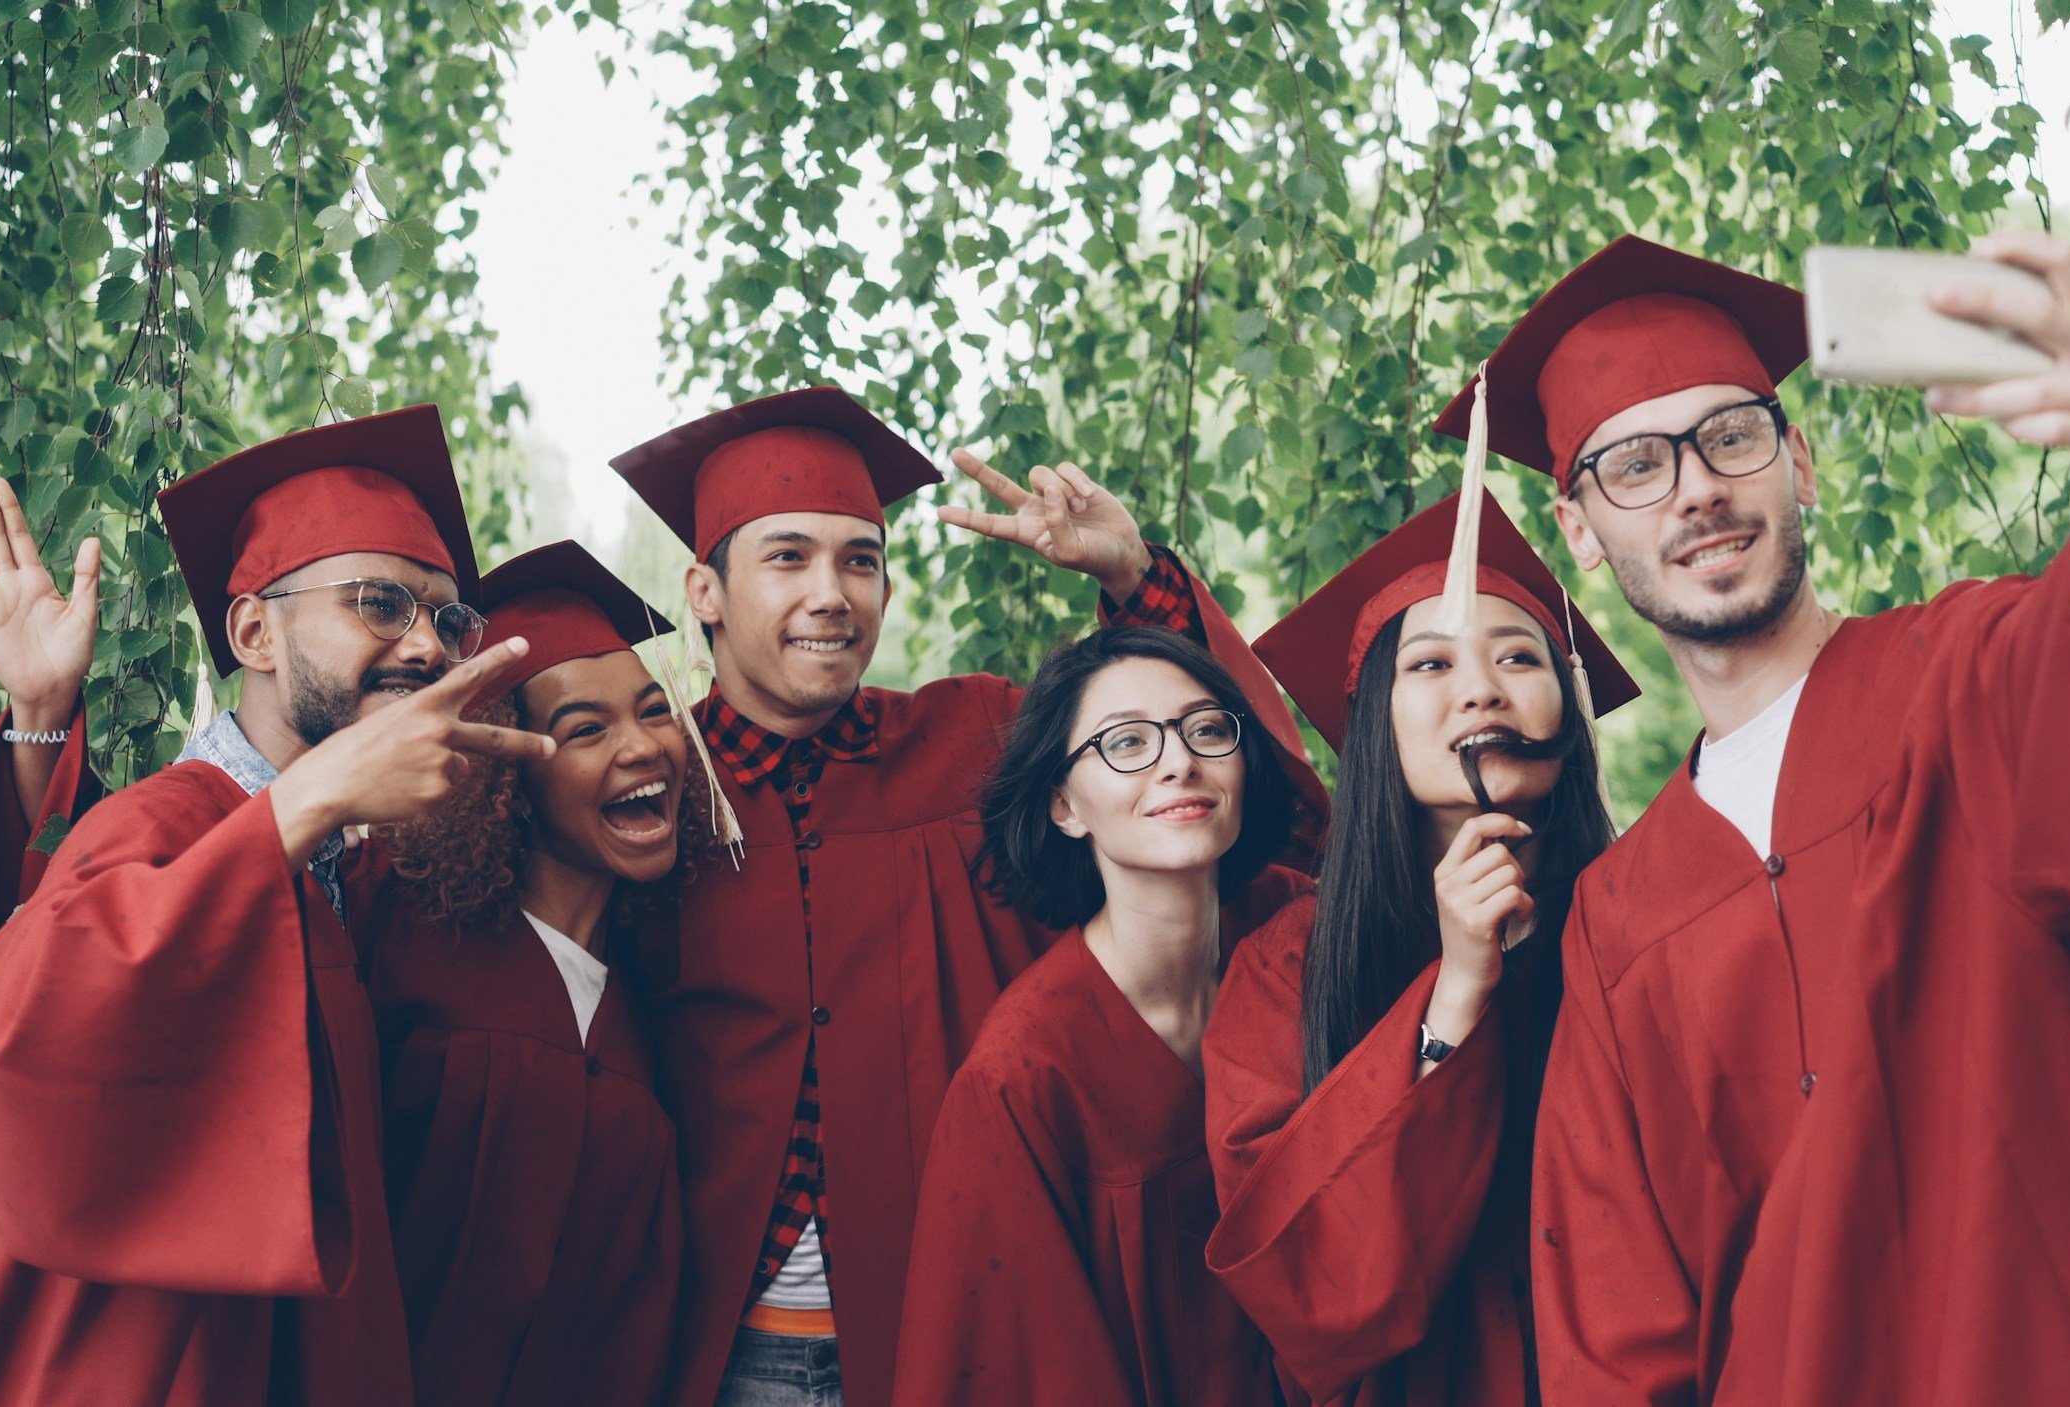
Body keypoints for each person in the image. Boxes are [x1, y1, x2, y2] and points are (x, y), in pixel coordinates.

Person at [1436, 232, 2070, 1405]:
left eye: (1730, 436)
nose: (1695, 487)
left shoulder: (1958, 683)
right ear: (1581, 529)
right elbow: (1616, 1314)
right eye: (1634, 465)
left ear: (1798, 460)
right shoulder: (1613, 922)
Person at [608, 385, 1323, 1406]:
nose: (832, 593)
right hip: (718, 1352)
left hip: (967, 1325)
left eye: (861, 560)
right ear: (704, 592)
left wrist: (1134, 580)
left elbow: (1241, 814)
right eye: (788, 557)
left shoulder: (977, 744)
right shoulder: (646, 791)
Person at [0, 406, 555, 1407]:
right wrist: (310, 797)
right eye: (380, 604)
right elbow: (30, 1017)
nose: (429, 649)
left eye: (446, 618)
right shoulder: (177, 823)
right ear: (255, 632)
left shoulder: (344, 874)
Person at [1203, 490, 1636, 1407]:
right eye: (1430, 663)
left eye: (1519, 656)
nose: (1481, 687)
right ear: (1374, 725)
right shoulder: (1289, 964)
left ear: (1568, 705)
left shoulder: (1645, 918)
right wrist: (1455, 998)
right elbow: (1304, 1284)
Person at [891, 626, 1311, 1407]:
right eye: (1126, 743)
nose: (1178, 760)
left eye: (1208, 729)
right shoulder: (1023, 1075)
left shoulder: (1296, 936)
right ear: (1064, 803)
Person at [363, 540, 712, 1405]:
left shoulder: (655, 995)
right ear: (504, 769)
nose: (643, 747)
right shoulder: (390, 933)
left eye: (654, 710)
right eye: (585, 728)